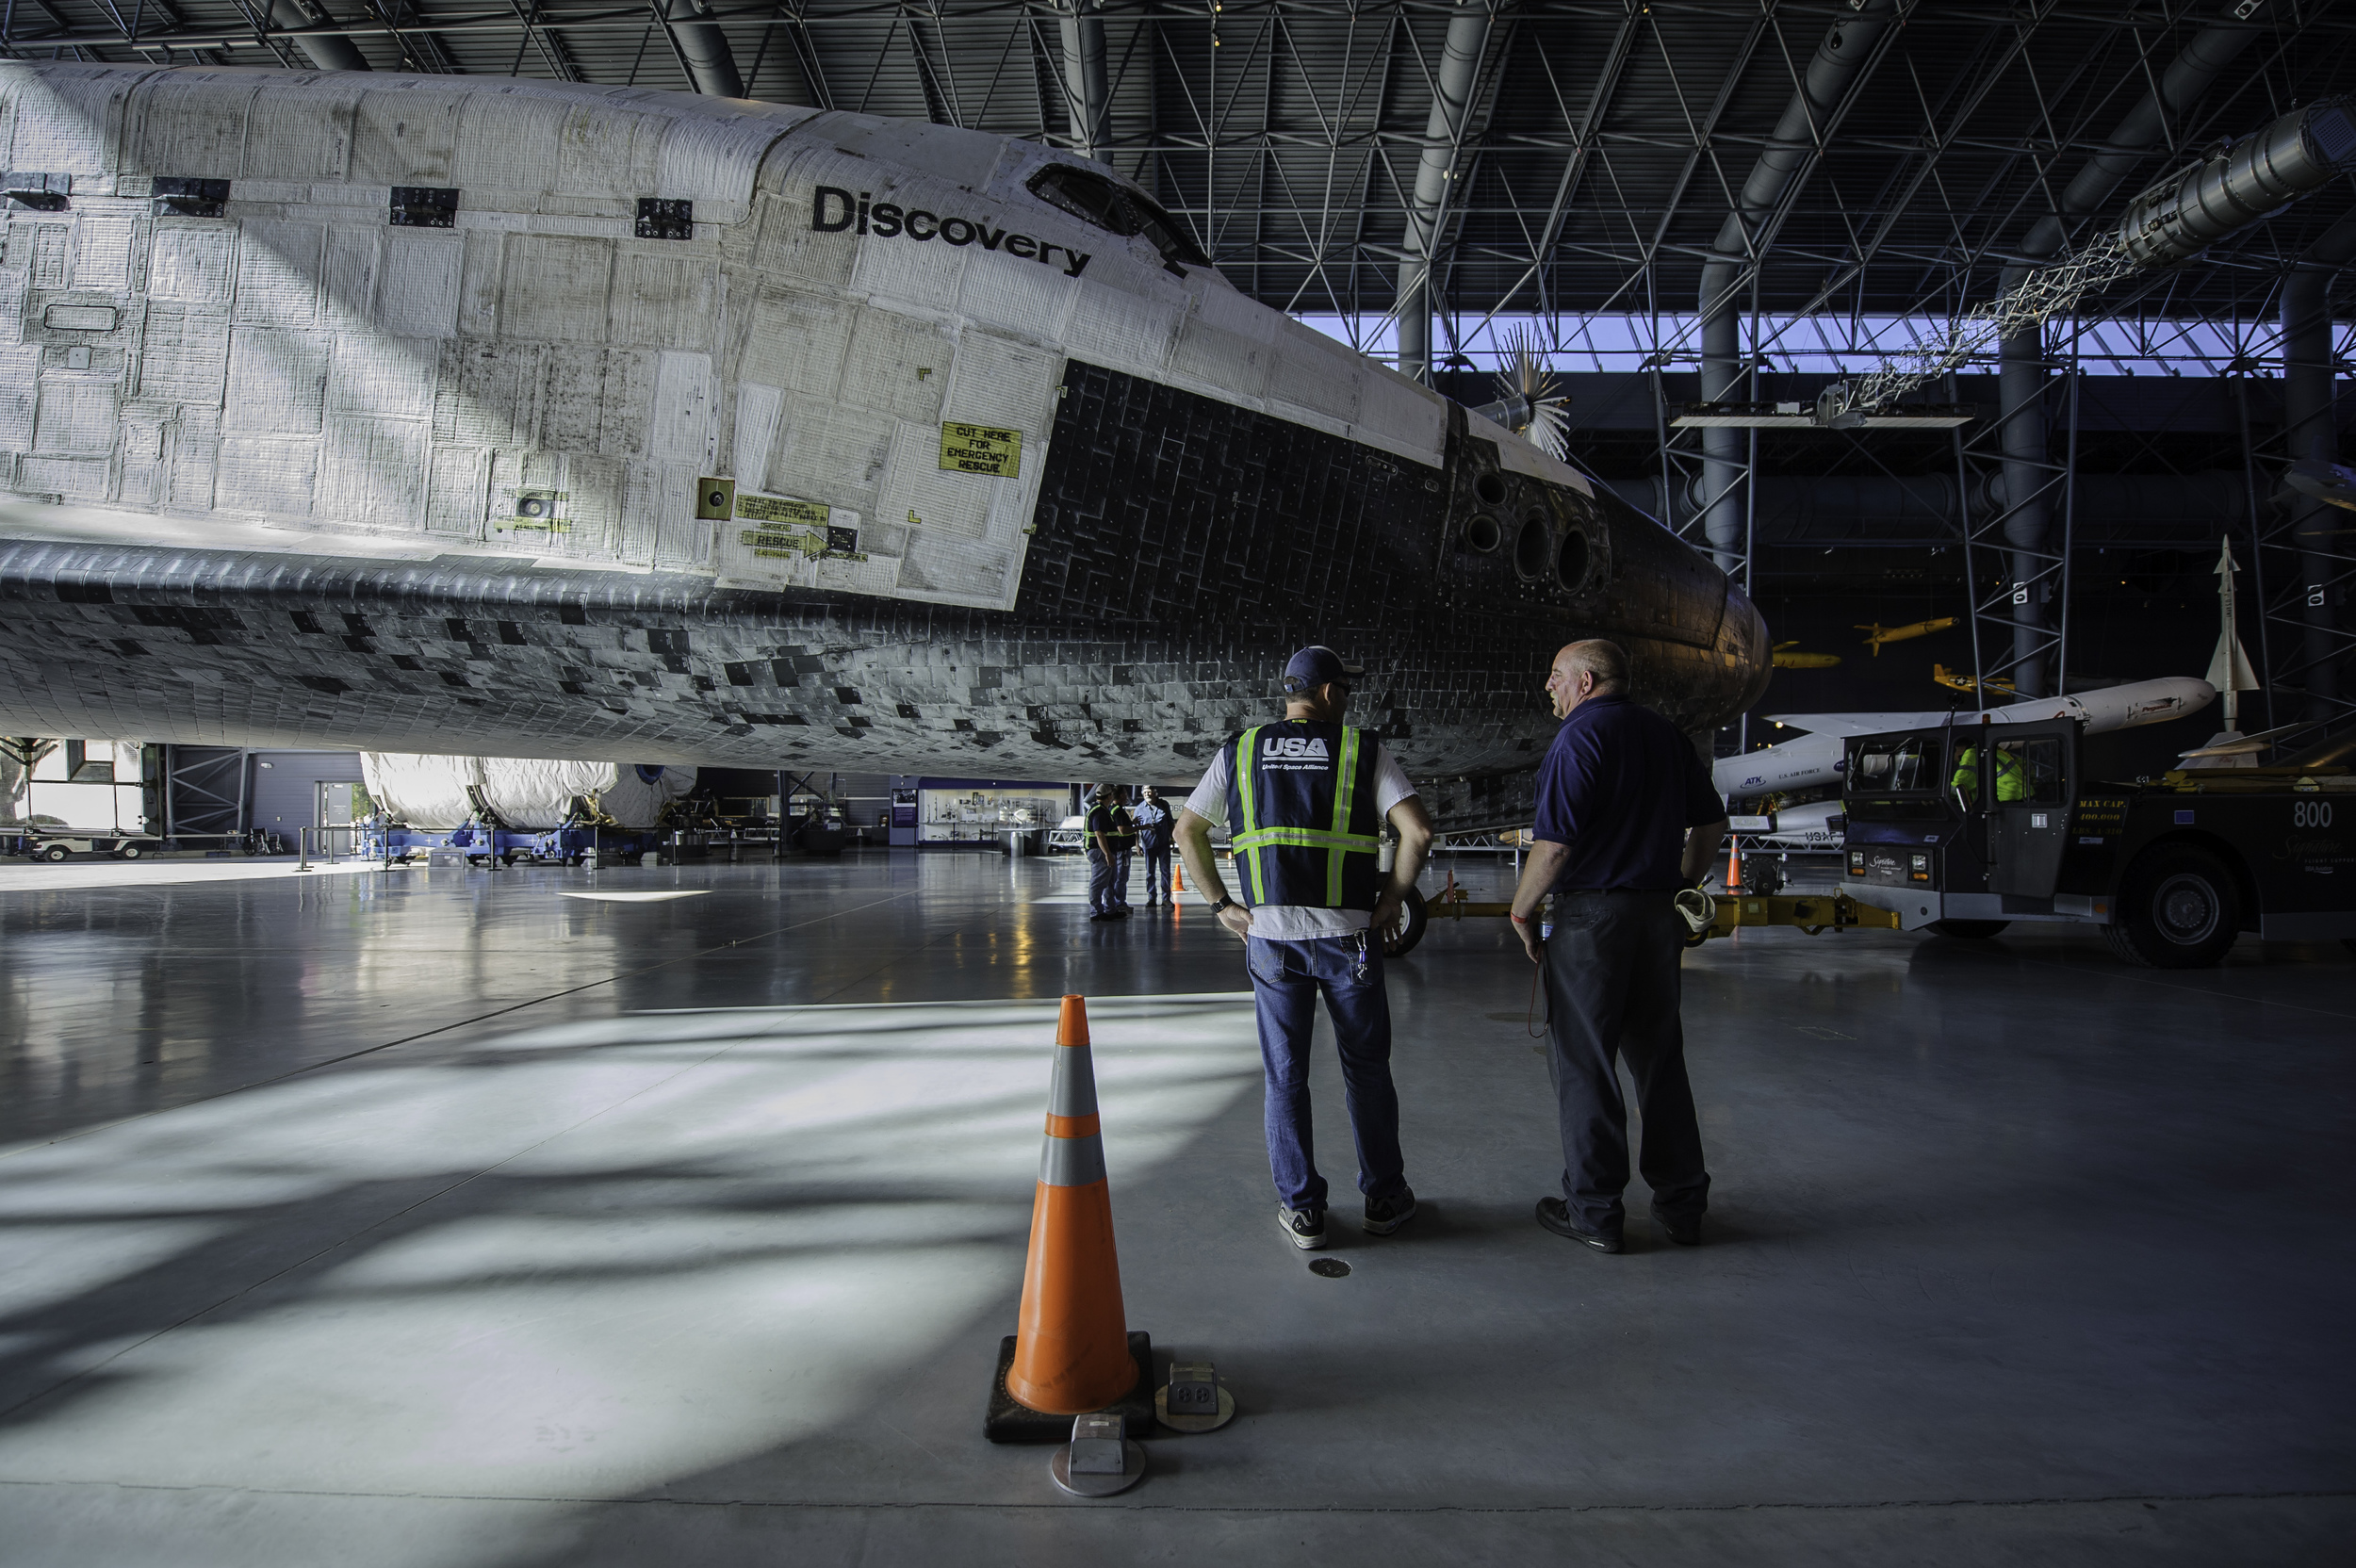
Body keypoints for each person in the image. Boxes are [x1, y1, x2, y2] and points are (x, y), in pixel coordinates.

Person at [1173, 645, 1434, 1250]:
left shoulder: (1239, 751)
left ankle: (1303, 1211)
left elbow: (1187, 830)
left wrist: (1223, 908)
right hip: (1349, 938)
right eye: (1345, 688)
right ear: (1325, 693)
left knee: (1285, 1076)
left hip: (1270, 938)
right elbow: (1417, 830)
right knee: (1366, 1071)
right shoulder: (1360, 749)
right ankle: (1384, 1198)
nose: (1348, 699)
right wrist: (1393, 898)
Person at [1507, 639, 1728, 1254]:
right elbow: (1711, 823)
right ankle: (1683, 1208)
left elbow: (1553, 848)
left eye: (1554, 676)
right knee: (1660, 1061)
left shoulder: (1578, 738)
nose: (1547, 687)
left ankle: (1596, 1211)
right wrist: (1681, 886)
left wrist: (1522, 909)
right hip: (1658, 918)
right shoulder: (1666, 735)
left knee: (1584, 1064)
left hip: (1593, 921)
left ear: (1585, 679)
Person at [1085, 784, 1129, 922]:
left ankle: (1110, 910)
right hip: (1100, 852)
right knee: (1098, 883)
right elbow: (1099, 834)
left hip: (1105, 851)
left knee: (1109, 882)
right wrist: (1107, 854)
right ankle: (1096, 912)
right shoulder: (1099, 812)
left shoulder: (1102, 810)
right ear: (1109, 796)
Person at [1131, 784, 1175, 906]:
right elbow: (1136, 829)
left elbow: (1171, 823)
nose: (1147, 794)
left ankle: (1166, 899)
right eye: (1145, 792)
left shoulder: (1164, 806)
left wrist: (1172, 839)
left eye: (1149, 792)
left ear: (1155, 792)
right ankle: (1151, 898)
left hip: (1163, 844)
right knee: (1150, 872)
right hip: (1148, 845)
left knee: (1165, 872)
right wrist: (1137, 845)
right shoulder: (1139, 809)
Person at [1950, 741, 2025, 803]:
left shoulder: (1971, 753)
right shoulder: (1992, 748)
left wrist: (1945, 794)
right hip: (2021, 793)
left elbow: (1961, 784)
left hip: (2006, 798)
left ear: (1955, 750)